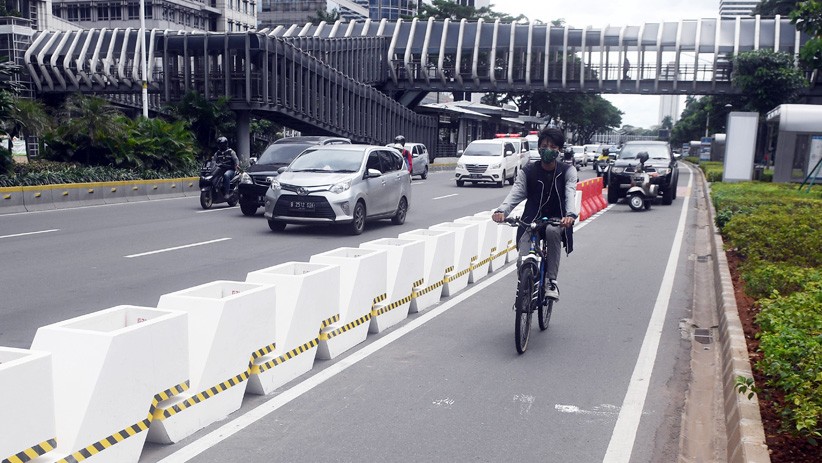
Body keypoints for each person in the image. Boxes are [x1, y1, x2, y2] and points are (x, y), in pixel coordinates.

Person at [492, 127, 578, 302]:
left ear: (559, 150)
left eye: (553, 147)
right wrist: (501, 211)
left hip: (558, 220)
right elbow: (515, 193)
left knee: (552, 231)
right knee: (523, 259)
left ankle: (551, 282)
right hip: (531, 220)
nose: (548, 150)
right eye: (544, 146)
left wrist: (570, 215)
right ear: (538, 148)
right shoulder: (528, 171)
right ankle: (525, 287)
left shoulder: (568, 171)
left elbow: (570, 194)